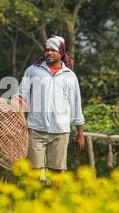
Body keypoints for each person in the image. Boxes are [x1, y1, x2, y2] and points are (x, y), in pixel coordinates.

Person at [16, 35, 85, 175]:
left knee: (57, 173)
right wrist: (15, 118)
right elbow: (21, 96)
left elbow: (76, 105)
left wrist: (80, 133)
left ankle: (54, 197)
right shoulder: (33, 70)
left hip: (60, 131)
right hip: (35, 129)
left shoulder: (69, 76)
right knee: (33, 173)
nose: (49, 53)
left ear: (62, 52)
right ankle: (35, 197)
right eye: (47, 50)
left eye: (53, 50)